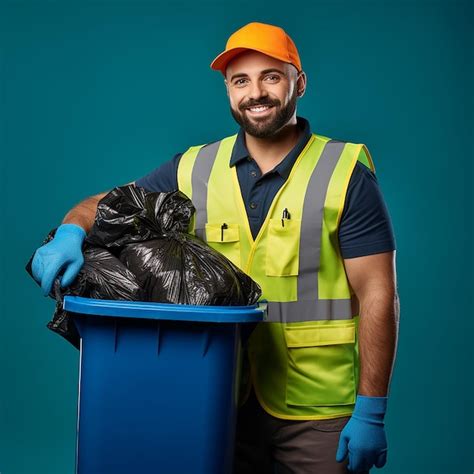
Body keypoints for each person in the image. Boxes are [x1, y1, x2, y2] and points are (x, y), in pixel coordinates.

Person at [31, 22, 400, 474]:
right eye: (240, 80)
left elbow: (379, 294)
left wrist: (371, 409)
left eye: (271, 76)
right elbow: (104, 205)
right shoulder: (194, 168)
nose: (255, 93)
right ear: (227, 89)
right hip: (219, 394)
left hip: (318, 408)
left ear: (298, 83)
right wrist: (71, 231)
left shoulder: (343, 172)